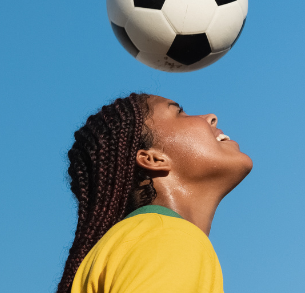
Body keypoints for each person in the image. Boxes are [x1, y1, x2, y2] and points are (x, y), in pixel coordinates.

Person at [56, 93, 253, 293]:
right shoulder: (170, 238)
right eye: (179, 113)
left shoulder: (133, 241)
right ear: (154, 159)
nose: (211, 117)